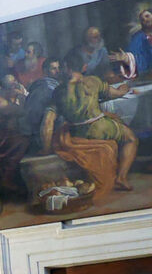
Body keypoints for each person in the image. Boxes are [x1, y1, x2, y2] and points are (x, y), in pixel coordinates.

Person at [45, 60, 138, 191]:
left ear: (66, 68)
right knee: (130, 138)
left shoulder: (58, 91)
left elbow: (48, 121)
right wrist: (124, 88)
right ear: (84, 67)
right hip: (99, 128)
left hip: (76, 132)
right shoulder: (93, 81)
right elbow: (116, 93)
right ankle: (121, 177)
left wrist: (46, 147)